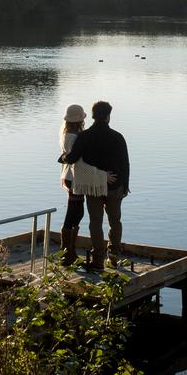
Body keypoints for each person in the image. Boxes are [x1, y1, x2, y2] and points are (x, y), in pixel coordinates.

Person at [61, 100, 130, 272]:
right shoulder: (118, 136)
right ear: (108, 116)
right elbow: (125, 163)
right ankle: (113, 258)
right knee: (115, 221)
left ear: (92, 116)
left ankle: (98, 260)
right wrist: (125, 185)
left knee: (95, 222)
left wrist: (63, 157)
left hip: (93, 187)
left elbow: (73, 158)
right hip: (115, 186)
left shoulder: (84, 136)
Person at [56, 104, 90, 267]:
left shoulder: (67, 134)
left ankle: (70, 251)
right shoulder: (75, 137)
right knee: (74, 212)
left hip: (71, 176)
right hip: (74, 177)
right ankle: (67, 253)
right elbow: (78, 157)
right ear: (79, 120)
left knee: (77, 212)